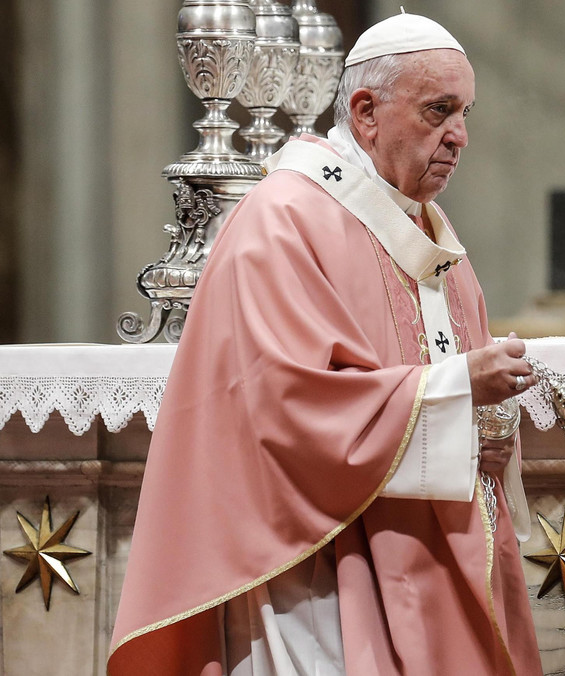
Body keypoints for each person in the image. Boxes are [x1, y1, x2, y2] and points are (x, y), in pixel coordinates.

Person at [108, 13, 543, 676]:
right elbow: (284, 408)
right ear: (365, 112)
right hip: (313, 570)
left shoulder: (423, 224)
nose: (459, 136)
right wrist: (459, 390)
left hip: (415, 554)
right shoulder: (284, 219)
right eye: (438, 111)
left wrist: (485, 417)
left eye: (464, 113)